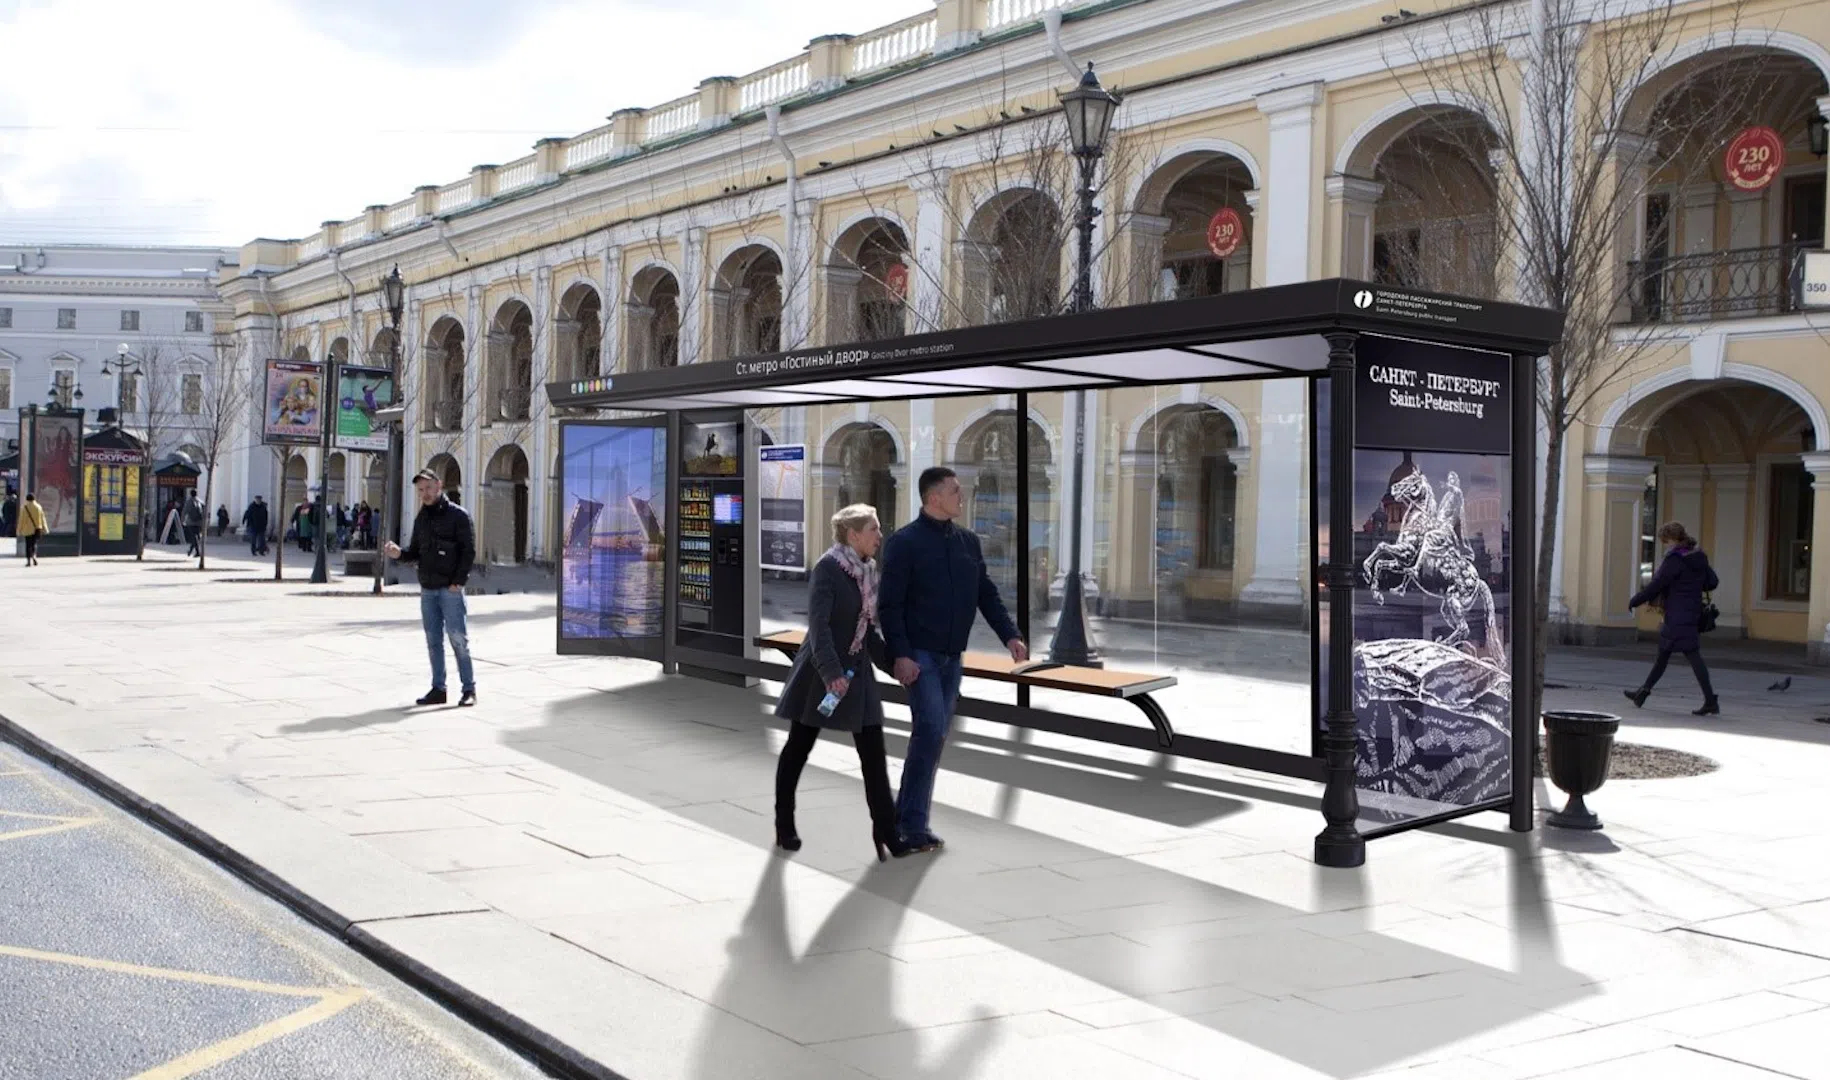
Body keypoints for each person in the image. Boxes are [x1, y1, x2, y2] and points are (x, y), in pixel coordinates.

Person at [878, 466, 1027, 854]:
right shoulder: (903, 543)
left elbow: (986, 593)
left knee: (933, 736)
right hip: (920, 657)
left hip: (951, 658)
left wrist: (1009, 634)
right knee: (929, 731)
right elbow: (889, 606)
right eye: (955, 491)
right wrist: (901, 655)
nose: (963, 497)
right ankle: (911, 825)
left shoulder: (968, 542)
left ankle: (906, 820)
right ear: (933, 498)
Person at [773, 504, 918, 862]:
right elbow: (819, 628)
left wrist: (894, 666)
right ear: (854, 535)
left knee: (873, 756)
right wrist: (831, 674)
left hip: (857, 677)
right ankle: (784, 824)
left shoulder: (868, 572)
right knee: (798, 748)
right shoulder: (827, 569)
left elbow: (866, 632)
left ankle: (886, 830)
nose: (879, 536)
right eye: (874, 529)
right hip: (822, 673)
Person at [384, 469, 477, 707]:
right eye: (420, 490)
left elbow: (468, 551)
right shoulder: (422, 518)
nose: (424, 494)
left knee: (458, 639)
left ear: (439, 486)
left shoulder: (458, 516)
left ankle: (469, 689)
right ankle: (439, 689)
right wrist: (399, 554)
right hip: (428, 589)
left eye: (427, 488)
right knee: (433, 640)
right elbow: (415, 552)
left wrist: (458, 582)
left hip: (450, 589)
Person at [1626, 521, 1721, 716]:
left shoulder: (1674, 560)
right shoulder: (1698, 556)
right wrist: (1693, 584)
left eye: (1665, 541)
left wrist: (1636, 600)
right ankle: (1643, 692)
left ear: (1673, 540)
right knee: (1664, 654)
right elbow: (1713, 582)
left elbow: (1656, 585)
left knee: (1692, 656)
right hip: (1691, 611)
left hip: (1677, 614)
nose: (1665, 545)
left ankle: (1710, 700)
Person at [18, 492, 47, 566]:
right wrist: (45, 528)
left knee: (28, 545)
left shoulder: (24, 508)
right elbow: (42, 518)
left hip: (27, 529)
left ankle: (28, 561)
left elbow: (21, 520)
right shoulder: (38, 507)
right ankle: (34, 555)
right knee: (34, 543)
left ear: (27, 499)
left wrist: (19, 530)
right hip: (37, 529)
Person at [182, 492, 205, 557]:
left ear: (190, 494)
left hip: (191, 522)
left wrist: (182, 520)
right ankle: (191, 550)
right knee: (196, 537)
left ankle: (197, 552)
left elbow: (185, 511)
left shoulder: (189, 501)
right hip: (199, 522)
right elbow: (205, 510)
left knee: (194, 537)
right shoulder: (200, 501)